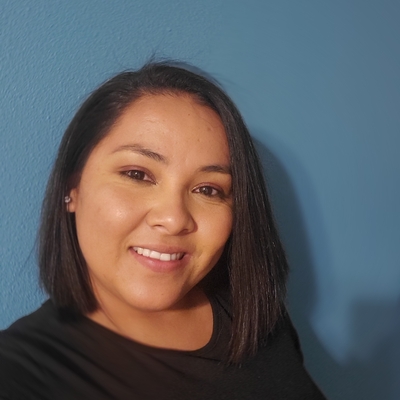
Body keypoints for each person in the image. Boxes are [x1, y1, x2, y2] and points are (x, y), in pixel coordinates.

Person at [0, 62, 326, 399]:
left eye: (208, 190)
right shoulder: (19, 374)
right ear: (73, 189)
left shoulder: (251, 313)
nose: (173, 219)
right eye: (137, 175)